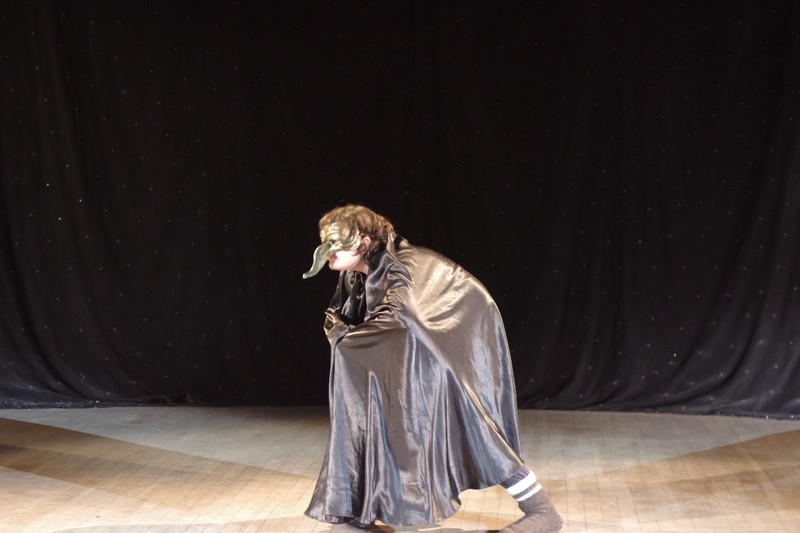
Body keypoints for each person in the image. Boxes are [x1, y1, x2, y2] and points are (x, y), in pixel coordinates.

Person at [302, 204, 562, 533]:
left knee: (471, 424)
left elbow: (402, 317)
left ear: (364, 243)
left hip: (448, 350)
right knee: (372, 413)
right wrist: (343, 334)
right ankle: (358, 508)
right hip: (408, 355)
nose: (326, 252)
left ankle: (542, 511)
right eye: (323, 241)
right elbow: (352, 318)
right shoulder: (356, 274)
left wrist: (345, 336)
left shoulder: (402, 266)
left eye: (334, 243)